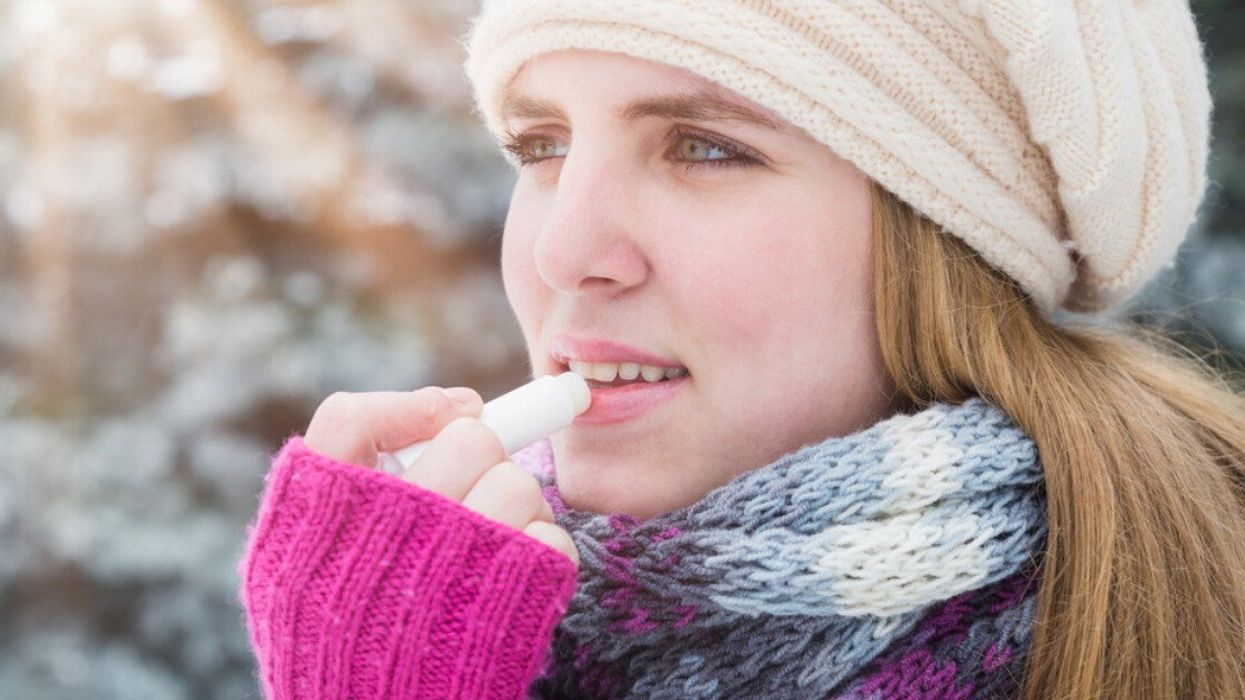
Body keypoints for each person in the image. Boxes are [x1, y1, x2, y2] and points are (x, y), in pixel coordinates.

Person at [237, 1, 1245, 698]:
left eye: (704, 147)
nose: (562, 249)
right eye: (541, 144)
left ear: (942, 244)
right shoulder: (452, 619)